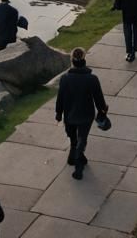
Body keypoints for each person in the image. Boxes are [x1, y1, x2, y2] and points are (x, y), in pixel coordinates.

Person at [55, 48, 109, 181]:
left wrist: (58, 113)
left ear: (72, 61)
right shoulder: (92, 79)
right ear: (84, 61)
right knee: (82, 138)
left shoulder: (65, 79)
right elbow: (99, 99)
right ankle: (79, 162)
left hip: (70, 115)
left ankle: (75, 157)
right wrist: (103, 110)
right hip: (86, 115)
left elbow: (60, 98)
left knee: (73, 137)